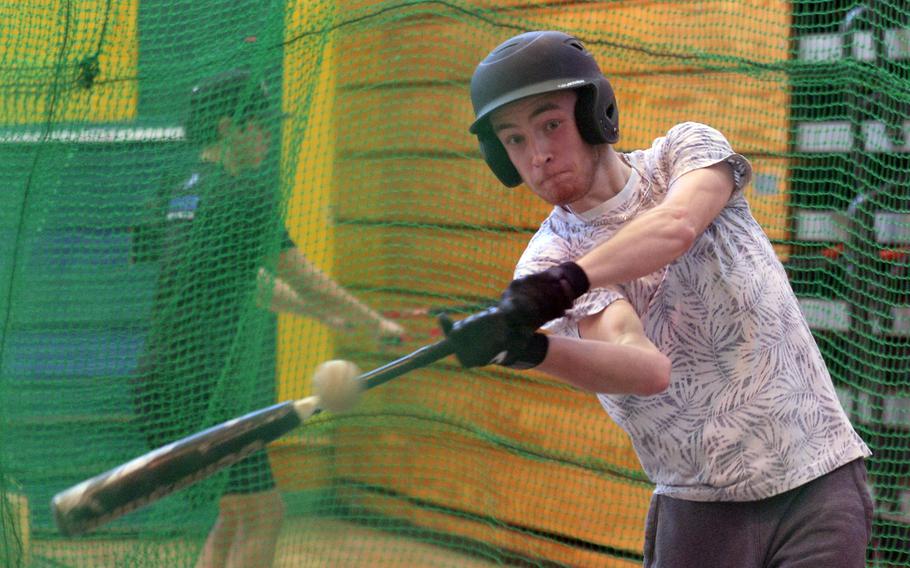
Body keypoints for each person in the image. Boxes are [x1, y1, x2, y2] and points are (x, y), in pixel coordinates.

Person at [440, 31, 873, 567]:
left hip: (817, 478)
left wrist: (560, 287)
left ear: (596, 112)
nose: (539, 155)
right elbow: (643, 369)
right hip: (699, 509)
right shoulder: (548, 257)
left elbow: (674, 226)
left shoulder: (684, 152)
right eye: (514, 140)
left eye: (549, 124)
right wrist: (529, 351)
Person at [130, 69, 402, 568]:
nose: (266, 136)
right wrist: (372, 323)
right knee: (263, 515)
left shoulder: (177, 187)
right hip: (204, 386)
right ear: (226, 127)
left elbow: (242, 282)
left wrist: (323, 315)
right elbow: (304, 276)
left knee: (236, 514)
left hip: (161, 382)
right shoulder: (244, 195)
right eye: (256, 124)